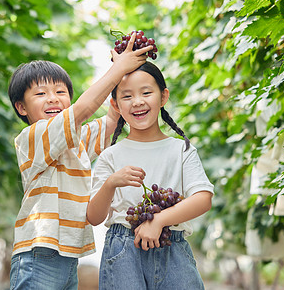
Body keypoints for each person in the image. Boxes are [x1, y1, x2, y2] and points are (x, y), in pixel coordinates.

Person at [7, 33, 153, 290]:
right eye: (41, 93)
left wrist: (123, 77)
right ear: (21, 107)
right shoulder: (33, 136)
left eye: (60, 92)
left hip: (67, 253)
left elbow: (110, 122)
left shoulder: (74, 141)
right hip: (38, 251)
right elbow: (82, 110)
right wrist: (116, 70)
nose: (53, 98)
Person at [87, 61, 214, 289]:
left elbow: (203, 198)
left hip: (171, 246)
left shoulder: (181, 150)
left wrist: (159, 220)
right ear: (115, 105)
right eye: (127, 96)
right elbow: (94, 217)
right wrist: (110, 184)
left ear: (163, 96)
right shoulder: (110, 156)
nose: (137, 101)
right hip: (123, 251)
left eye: (146, 92)